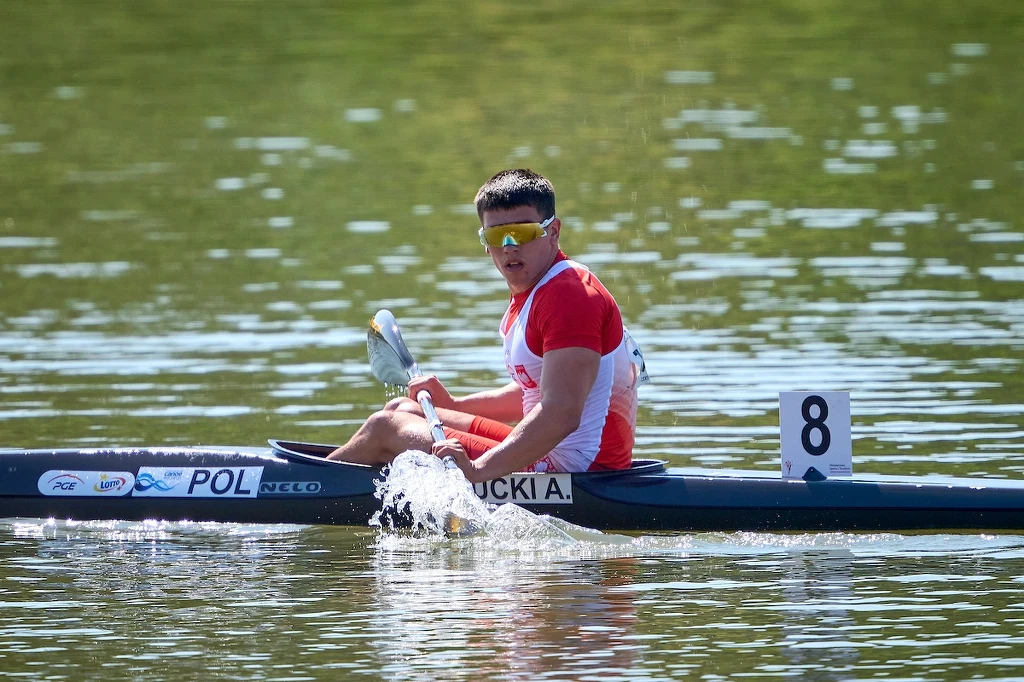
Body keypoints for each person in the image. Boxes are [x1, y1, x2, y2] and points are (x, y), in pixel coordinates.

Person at [328, 169, 644, 483]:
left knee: (386, 428)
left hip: (580, 473)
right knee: (403, 408)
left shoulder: (569, 296)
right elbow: (535, 388)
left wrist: (479, 470)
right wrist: (453, 405)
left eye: (522, 232)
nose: (509, 246)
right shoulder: (535, 292)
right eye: (496, 236)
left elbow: (561, 411)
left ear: (554, 231)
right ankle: (333, 481)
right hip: (553, 455)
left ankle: (302, 487)